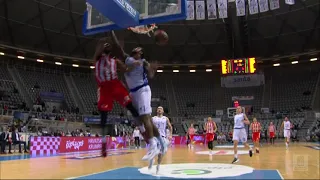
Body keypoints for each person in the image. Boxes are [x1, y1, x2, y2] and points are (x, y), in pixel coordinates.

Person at [93, 31, 140, 157]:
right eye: (105, 45)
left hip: (115, 84)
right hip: (104, 87)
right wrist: (104, 39)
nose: (107, 45)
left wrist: (135, 65)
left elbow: (125, 68)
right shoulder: (98, 57)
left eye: (109, 45)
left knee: (130, 105)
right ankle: (103, 144)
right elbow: (99, 47)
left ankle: (143, 130)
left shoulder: (115, 60)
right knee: (104, 115)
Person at [124, 47, 163, 161]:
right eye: (137, 51)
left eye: (140, 52)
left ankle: (153, 145)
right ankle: (160, 142)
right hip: (133, 92)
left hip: (142, 89)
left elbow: (150, 75)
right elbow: (125, 69)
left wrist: (152, 69)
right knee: (140, 119)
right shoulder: (128, 60)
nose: (139, 52)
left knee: (146, 117)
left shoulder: (143, 62)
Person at [148, 106, 172, 174]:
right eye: (158, 109)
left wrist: (170, 135)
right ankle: (151, 161)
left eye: (161, 109)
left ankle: (158, 165)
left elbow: (170, 127)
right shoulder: (153, 118)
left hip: (162, 137)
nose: (159, 110)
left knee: (160, 154)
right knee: (153, 149)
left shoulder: (165, 118)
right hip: (154, 137)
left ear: (163, 111)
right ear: (156, 111)